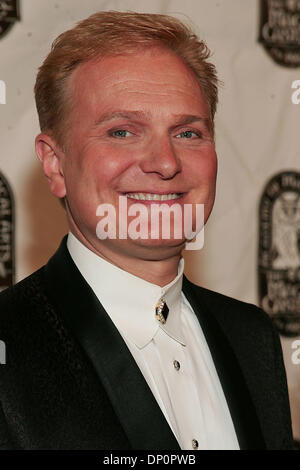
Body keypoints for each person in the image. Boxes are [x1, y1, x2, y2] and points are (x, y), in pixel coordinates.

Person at [0, 11, 293, 450]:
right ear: (54, 163)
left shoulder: (251, 338)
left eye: (188, 133)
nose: (166, 161)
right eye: (122, 131)